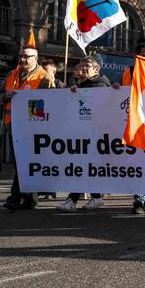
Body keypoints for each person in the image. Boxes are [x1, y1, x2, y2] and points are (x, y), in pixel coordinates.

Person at [57, 57, 111, 212]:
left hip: (96, 133)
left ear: (96, 69)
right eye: (83, 66)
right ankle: (96, 197)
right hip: (84, 132)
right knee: (86, 166)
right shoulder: (84, 84)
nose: (85, 68)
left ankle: (72, 200)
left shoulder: (100, 85)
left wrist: (78, 92)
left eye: (89, 66)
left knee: (83, 165)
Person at [0, 45, 46, 210]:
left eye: (27, 56)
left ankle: (14, 198)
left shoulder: (44, 77)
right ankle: (31, 198)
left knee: (22, 162)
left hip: (33, 127)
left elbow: (52, 102)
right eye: (21, 56)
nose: (23, 59)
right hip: (12, 125)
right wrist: (5, 95)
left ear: (36, 58)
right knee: (20, 162)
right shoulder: (11, 74)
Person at [118, 43, 145, 214]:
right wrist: (115, 89)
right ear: (136, 56)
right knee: (141, 163)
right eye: (144, 55)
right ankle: (139, 199)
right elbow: (124, 94)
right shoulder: (129, 71)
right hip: (136, 124)